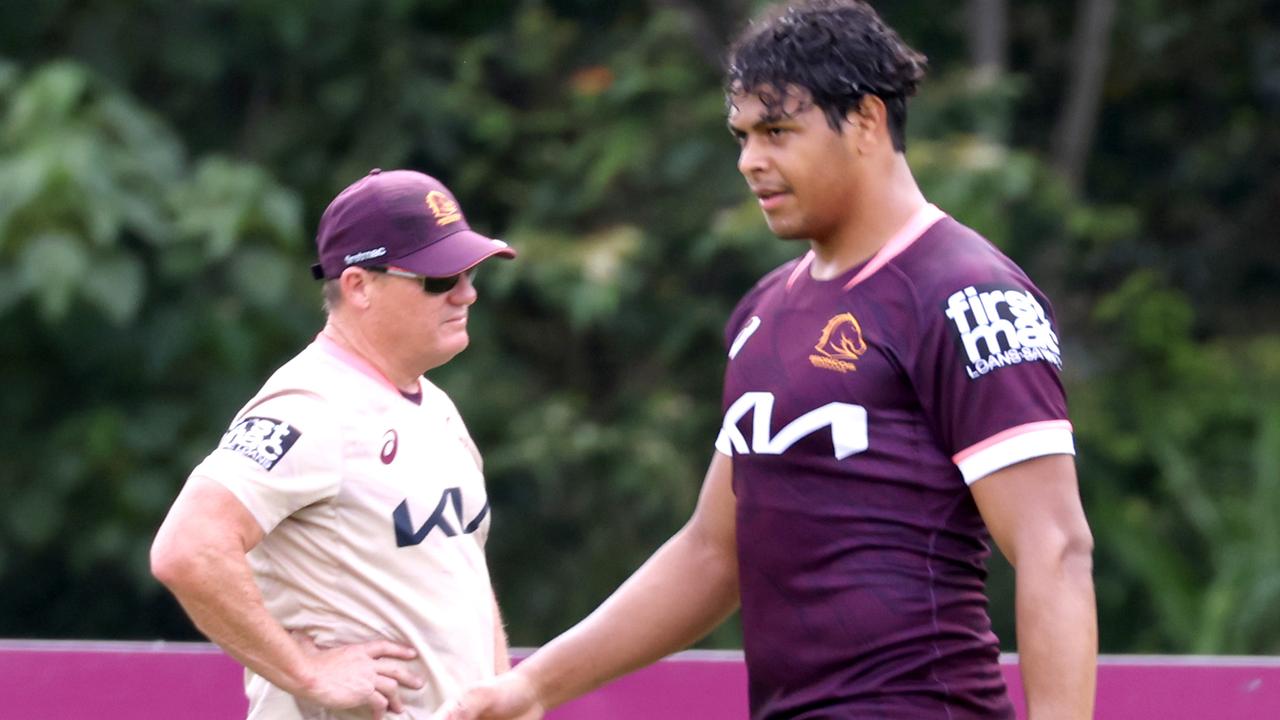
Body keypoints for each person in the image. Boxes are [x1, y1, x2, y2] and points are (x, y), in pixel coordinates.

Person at [434, 1, 1096, 719]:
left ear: (868, 122)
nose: (752, 160)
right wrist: (532, 685)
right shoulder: (763, 311)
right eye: (743, 135)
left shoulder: (966, 292)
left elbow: (1054, 548)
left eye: (779, 132)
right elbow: (713, 553)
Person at [151, 168, 518, 720]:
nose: (466, 293)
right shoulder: (310, 408)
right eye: (439, 279)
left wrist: (504, 696)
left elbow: (465, 573)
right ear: (359, 286)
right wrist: (308, 671)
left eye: (468, 273)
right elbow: (188, 549)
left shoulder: (437, 407)